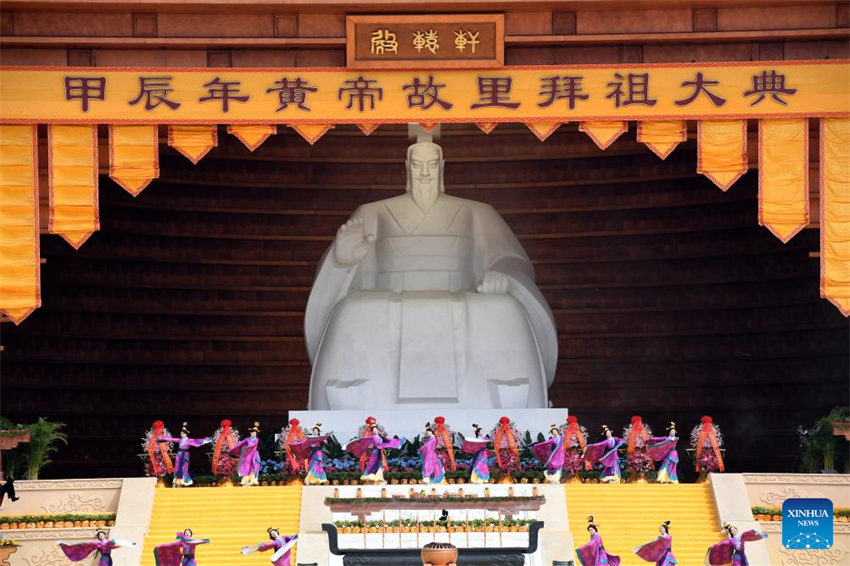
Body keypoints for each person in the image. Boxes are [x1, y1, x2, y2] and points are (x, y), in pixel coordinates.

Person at [305, 140, 558, 410]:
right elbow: (341, 273)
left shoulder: (478, 212)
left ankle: (508, 400)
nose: (425, 173)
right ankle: (352, 402)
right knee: (354, 309)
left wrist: (503, 276)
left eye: (431, 165)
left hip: (464, 295)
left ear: (442, 168)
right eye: (417, 165)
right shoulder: (372, 212)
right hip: (387, 296)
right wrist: (343, 262)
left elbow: (509, 258)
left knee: (503, 307)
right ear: (406, 169)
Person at [58, 531, 134, 565]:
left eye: (102, 534)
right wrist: (69, 545)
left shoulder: (110, 542)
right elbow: (85, 544)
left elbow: (118, 544)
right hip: (104, 559)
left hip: (108, 558)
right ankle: (67, 545)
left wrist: (130, 544)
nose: (101, 536)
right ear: (98, 538)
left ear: (105, 535)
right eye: (99, 535)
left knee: (113, 541)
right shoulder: (98, 544)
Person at [230, 422, 262, 487]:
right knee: (246, 466)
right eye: (253, 433)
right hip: (247, 455)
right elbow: (241, 444)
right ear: (250, 433)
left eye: (255, 433)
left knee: (254, 466)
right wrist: (235, 448)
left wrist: (246, 448)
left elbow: (252, 445)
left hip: (254, 454)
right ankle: (244, 481)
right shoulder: (247, 439)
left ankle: (254, 480)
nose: (254, 434)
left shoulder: (256, 439)